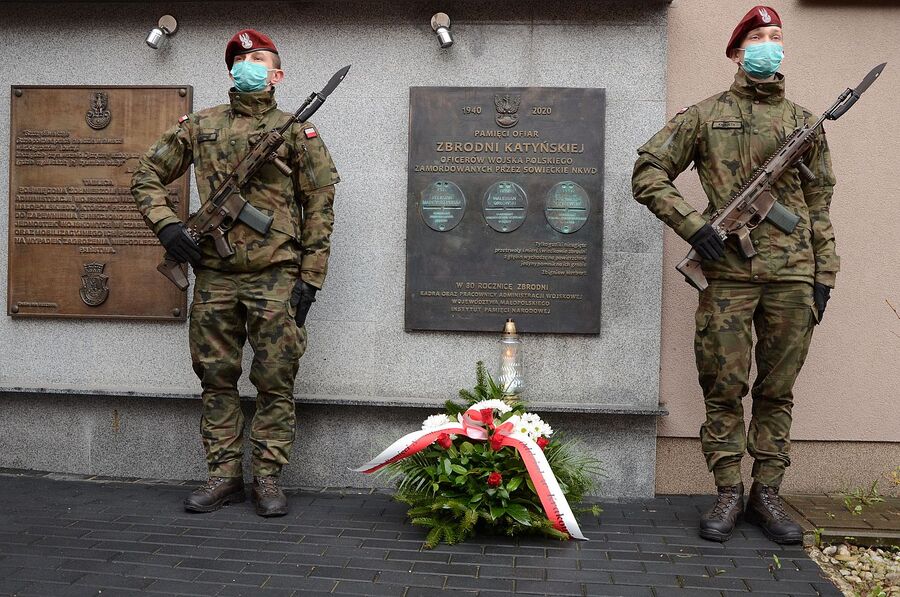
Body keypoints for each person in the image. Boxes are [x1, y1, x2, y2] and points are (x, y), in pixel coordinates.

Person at [632, 6, 838, 544]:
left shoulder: (805, 124)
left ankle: (767, 493)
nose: (770, 45)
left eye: (776, 36)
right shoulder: (703, 117)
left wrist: (825, 273)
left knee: (777, 389)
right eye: (759, 37)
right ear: (737, 52)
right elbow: (648, 172)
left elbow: (819, 205)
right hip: (727, 274)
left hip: (793, 275)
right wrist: (693, 225)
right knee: (722, 386)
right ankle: (728, 490)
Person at [131, 29, 340, 517]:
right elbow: (146, 175)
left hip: (276, 275)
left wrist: (311, 276)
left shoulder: (296, 131)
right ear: (231, 71)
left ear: (277, 75)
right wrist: (167, 227)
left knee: (276, 379)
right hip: (215, 277)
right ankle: (224, 476)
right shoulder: (199, 125)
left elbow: (320, 205)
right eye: (242, 60)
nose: (250, 66)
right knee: (216, 378)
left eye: (260, 60)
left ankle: (267, 478)